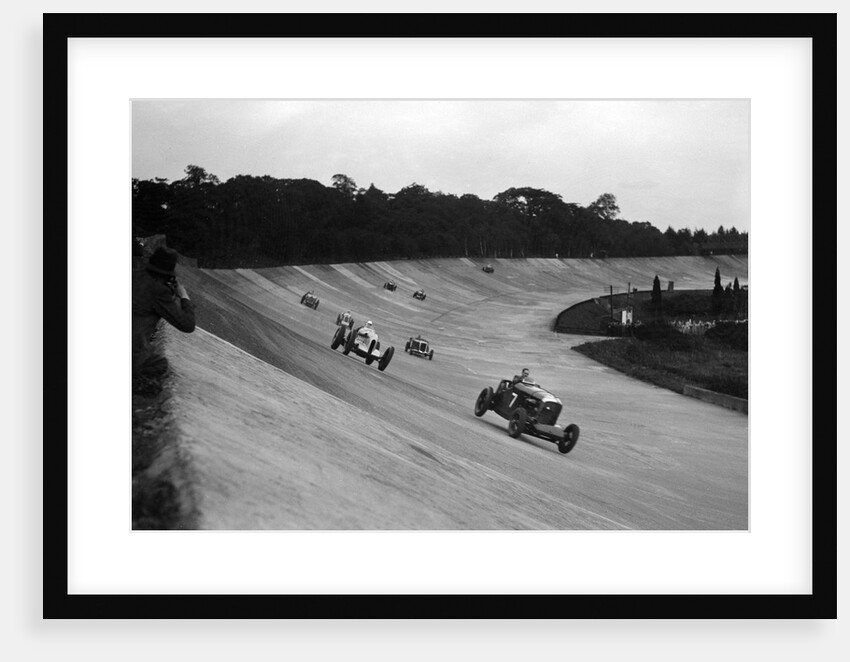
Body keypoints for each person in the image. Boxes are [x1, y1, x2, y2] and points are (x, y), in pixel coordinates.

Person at [132, 246, 196, 385]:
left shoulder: (134, 274)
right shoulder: (159, 291)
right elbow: (187, 324)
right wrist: (184, 297)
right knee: (160, 365)